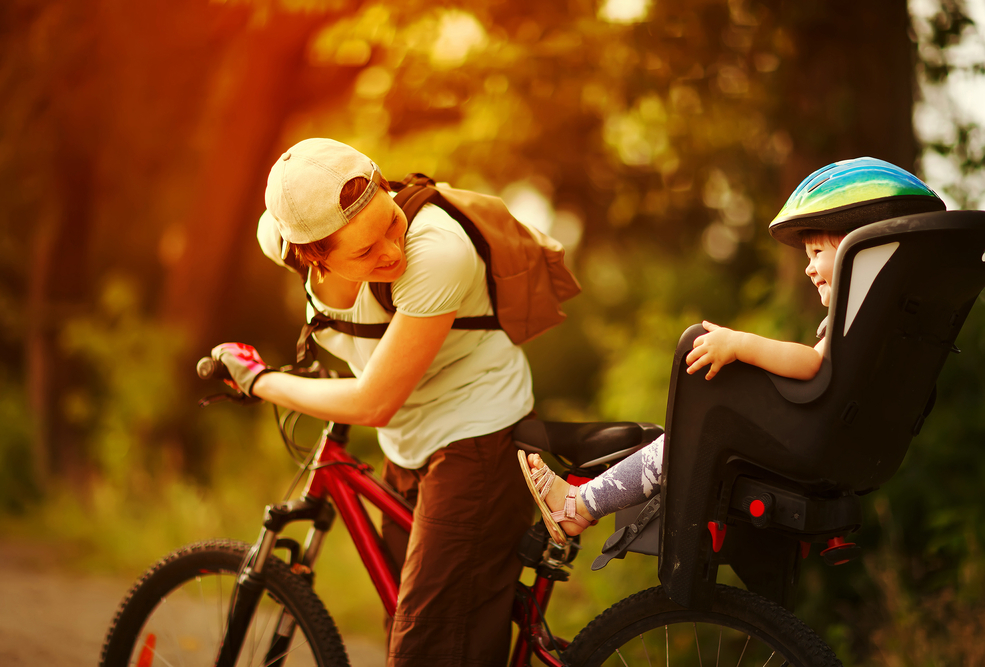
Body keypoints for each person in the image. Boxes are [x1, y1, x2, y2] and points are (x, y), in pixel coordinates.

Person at [211, 138, 537, 667]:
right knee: (409, 629)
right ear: (311, 255)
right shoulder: (282, 237)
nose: (392, 249)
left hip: (478, 437)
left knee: (425, 651)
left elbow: (373, 403)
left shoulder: (437, 252)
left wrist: (259, 381)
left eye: (389, 220)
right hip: (408, 444)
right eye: (364, 251)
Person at [521, 156, 947, 546]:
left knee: (685, 438)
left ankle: (578, 506)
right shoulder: (888, 327)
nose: (807, 265)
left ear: (863, 255)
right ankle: (583, 503)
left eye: (817, 251)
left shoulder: (855, 323)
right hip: (845, 449)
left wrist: (738, 344)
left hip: (804, 441)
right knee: (678, 442)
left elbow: (815, 364)